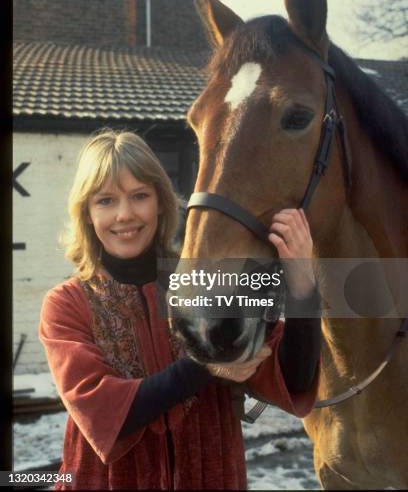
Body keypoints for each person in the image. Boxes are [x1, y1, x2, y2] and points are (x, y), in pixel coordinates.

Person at [39, 129, 321, 490]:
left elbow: (293, 377)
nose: (124, 214)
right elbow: (102, 414)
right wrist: (207, 364)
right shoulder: (66, 305)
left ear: (160, 202)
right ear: (87, 213)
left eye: (139, 195)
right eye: (105, 201)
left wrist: (302, 284)